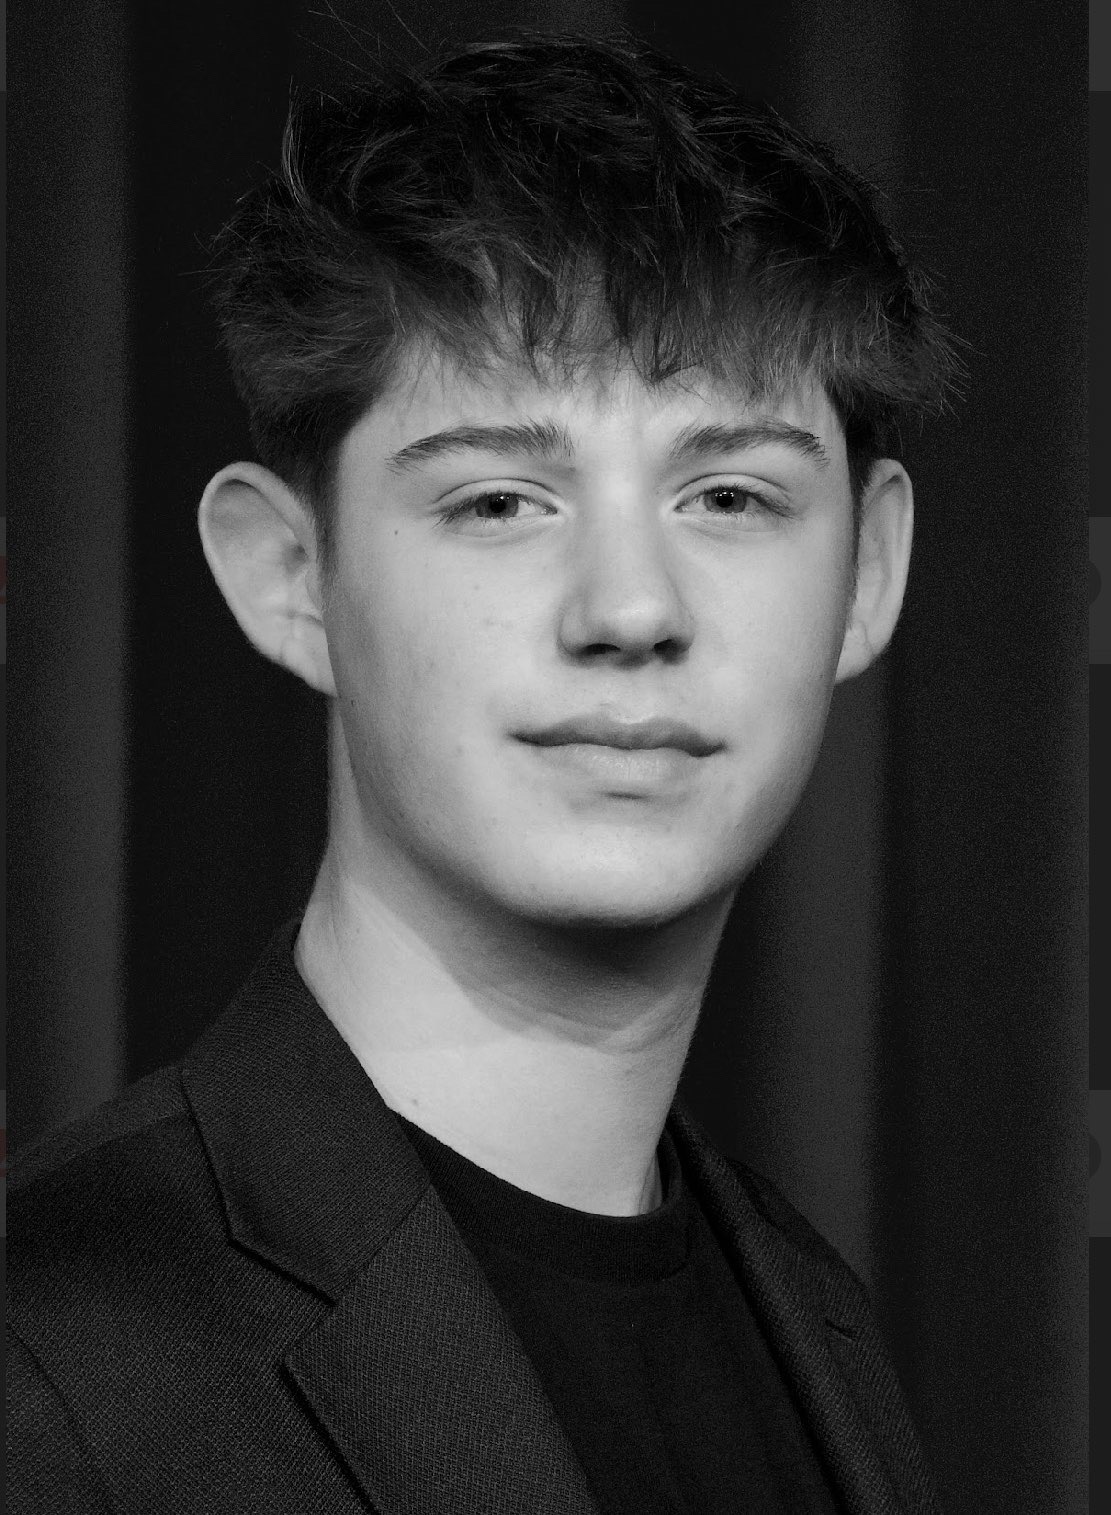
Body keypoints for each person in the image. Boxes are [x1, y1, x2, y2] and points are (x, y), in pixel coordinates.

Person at [7, 32, 955, 1514]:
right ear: (290, 574)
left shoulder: (814, 1324)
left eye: (729, 494)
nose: (630, 607)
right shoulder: (53, 1357)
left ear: (869, 571)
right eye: (500, 500)